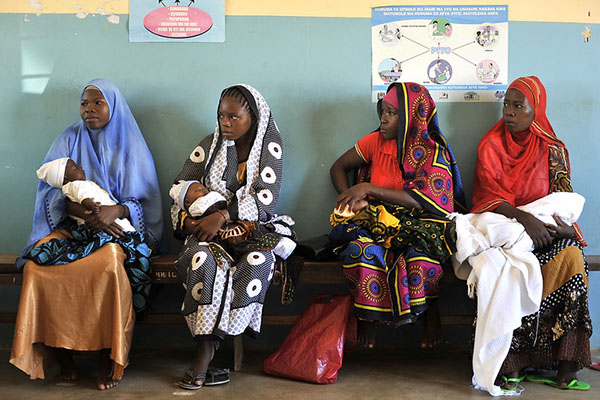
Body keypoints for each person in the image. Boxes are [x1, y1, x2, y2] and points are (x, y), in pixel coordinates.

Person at [10, 79, 163, 390]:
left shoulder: (131, 144)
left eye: (98, 103)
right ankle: (60, 350)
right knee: (38, 267)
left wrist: (114, 212)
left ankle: (108, 353)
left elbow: (145, 201)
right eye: (84, 103)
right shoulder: (68, 138)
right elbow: (50, 190)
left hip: (118, 230)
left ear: (113, 106)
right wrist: (87, 214)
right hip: (73, 225)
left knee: (107, 266)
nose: (89, 109)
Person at [470, 76, 591, 392]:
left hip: (544, 233)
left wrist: (565, 229)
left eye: (517, 105)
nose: (509, 112)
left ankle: (565, 369)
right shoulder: (490, 145)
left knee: (573, 257)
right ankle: (509, 365)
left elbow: (564, 197)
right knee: (499, 266)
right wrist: (523, 219)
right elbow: (487, 199)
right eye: (506, 105)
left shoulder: (553, 149)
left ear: (536, 109)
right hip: (507, 230)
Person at [172, 84, 296, 390]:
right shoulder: (209, 145)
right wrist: (190, 223)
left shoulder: (270, 148)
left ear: (252, 118)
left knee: (258, 260)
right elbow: (180, 188)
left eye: (233, 116)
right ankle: (206, 350)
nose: (225, 123)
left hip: (252, 231)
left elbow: (266, 199)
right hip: (206, 233)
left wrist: (224, 215)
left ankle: (205, 352)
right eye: (220, 116)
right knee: (203, 261)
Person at [329, 82, 466, 350]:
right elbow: (338, 167)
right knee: (359, 249)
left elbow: (424, 200)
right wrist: (351, 198)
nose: (384, 118)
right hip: (376, 219)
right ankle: (366, 316)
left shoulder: (431, 150)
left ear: (411, 118)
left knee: (422, 255)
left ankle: (428, 313)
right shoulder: (373, 142)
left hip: (418, 222)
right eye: (383, 111)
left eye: (392, 113)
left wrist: (368, 188)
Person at [23, 157, 152, 314]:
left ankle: (128, 306)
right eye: (75, 167)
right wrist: (91, 210)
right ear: (65, 178)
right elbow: (81, 197)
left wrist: (118, 210)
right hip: (97, 227)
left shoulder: (131, 150)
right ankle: (129, 306)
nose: (81, 168)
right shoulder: (75, 185)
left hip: (115, 221)